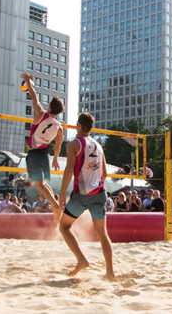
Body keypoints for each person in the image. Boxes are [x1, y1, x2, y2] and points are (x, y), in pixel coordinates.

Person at [56, 112, 115, 281]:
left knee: (64, 227)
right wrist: (95, 185)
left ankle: (81, 259)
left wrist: (62, 194)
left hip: (81, 195)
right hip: (100, 193)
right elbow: (104, 173)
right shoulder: (99, 145)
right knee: (103, 234)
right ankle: (110, 273)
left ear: (79, 126)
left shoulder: (74, 143)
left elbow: (68, 170)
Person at [19, 72, 66, 223]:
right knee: (44, 184)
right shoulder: (59, 127)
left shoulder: (40, 113)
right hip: (45, 154)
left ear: (50, 107)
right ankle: (57, 206)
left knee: (39, 185)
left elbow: (34, 97)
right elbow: (58, 145)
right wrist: (56, 159)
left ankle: (56, 207)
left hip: (34, 153)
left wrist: (27, 81)